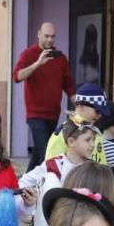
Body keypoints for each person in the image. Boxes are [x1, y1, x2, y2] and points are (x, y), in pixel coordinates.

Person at [18, 115, 97, 226]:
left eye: (93, 140)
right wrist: (31, 208)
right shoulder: (53, 165)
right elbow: (24, 182)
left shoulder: (92, 168)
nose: (92, 144)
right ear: (71, 142)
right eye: (88, 140)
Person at [13, 22, 76, 170]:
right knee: (45, 152)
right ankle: (48, 186)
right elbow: (17, 76)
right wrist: (38, 63)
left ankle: (25, 184)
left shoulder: (61, 58)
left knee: (39, 152)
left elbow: (68, 84)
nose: (49, 40)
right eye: (46, 36)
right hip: (35, 115)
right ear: (38, 34)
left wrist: (77, 101)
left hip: (53, 114)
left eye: (53, 37)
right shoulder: (28, 55)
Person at [44, 82, 110, 163]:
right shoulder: (63, 134)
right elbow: (52, 169)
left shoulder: (96, 133)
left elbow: (103, 166)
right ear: (81, 106)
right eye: (97, 111)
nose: (99, 115)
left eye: (101, 112)